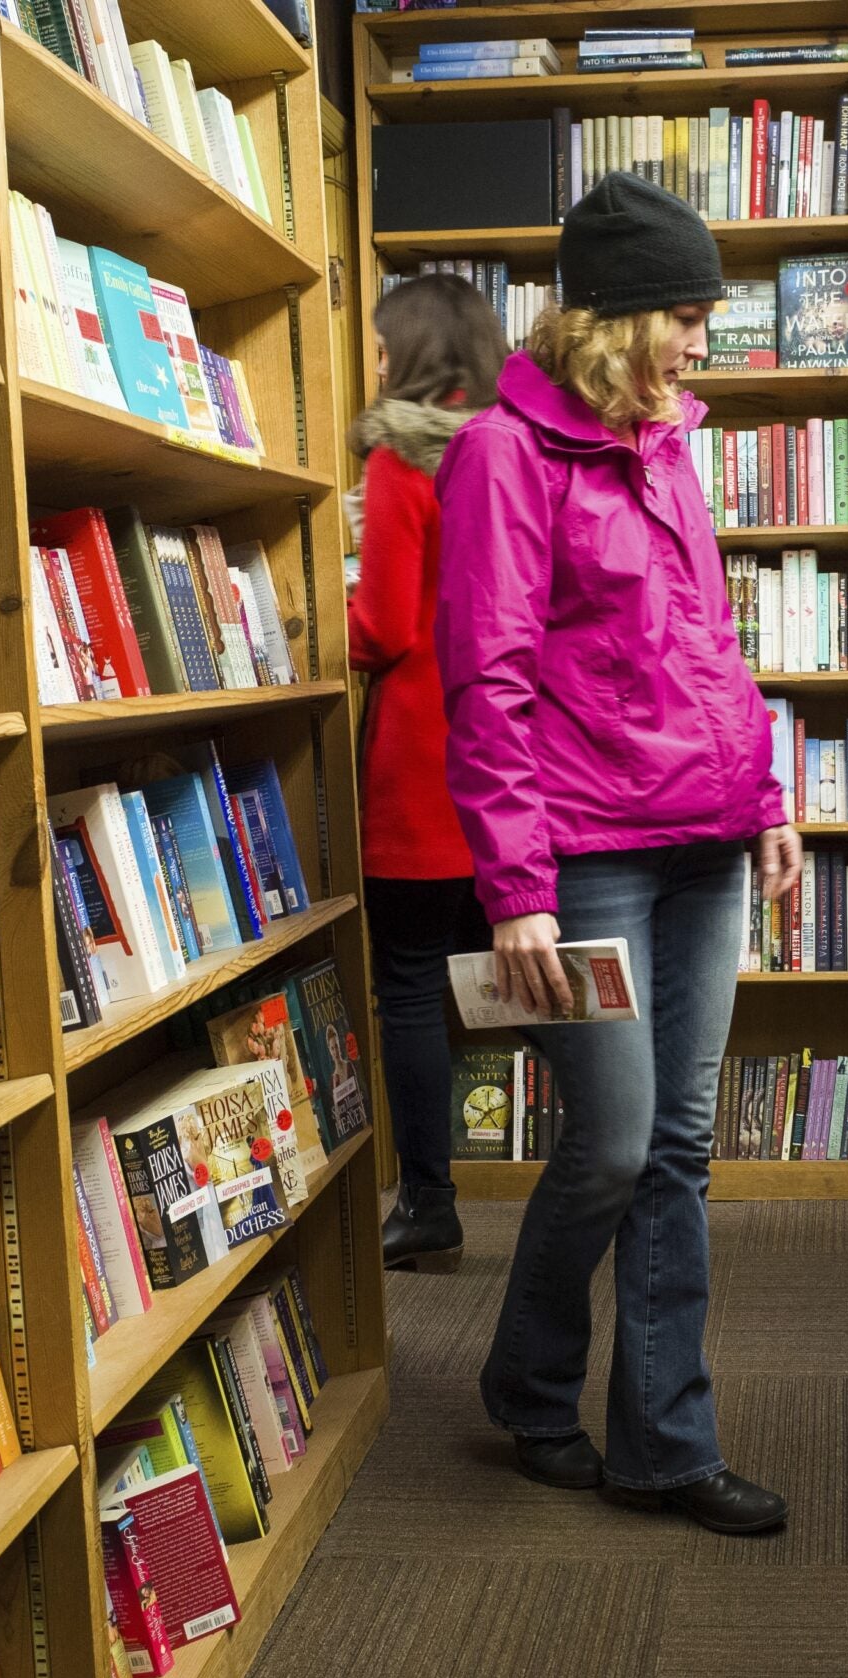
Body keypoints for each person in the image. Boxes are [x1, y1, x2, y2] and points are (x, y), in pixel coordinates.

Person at [434, 173, 798, 1536]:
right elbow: (490, 679)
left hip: (704, 842)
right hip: (587, 854)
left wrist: (764, 795)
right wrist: (516, 888)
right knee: (616, 1137)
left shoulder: (667, 441)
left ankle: (664, 1444)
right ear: (616, 318)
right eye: (690, 313)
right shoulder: (500, 456)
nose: (705, 339)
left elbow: (707, 638)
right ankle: (531, 1382)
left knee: (682, 1146)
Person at [346, 273, 508, 1275]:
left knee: (409, 988)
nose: (369, 358)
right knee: (530, 980)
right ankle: (618, 1158)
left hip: (419, 766)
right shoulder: (511, 450)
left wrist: (326, 611)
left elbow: (385, 627)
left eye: (375, 342)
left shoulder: (400, 458)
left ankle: (431, 1205)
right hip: (508, 759)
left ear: (409, 349)